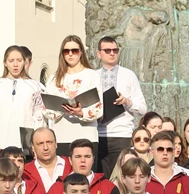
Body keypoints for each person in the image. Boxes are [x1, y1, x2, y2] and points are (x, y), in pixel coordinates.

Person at [94, 36, 148, 174]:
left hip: (122, 134)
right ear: (99, 54)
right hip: (97, 135)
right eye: (107, 50)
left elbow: (142, 108)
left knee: (121, 176)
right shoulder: (92, 76)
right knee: (101, 178)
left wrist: (127, 101)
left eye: (115, 50)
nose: (112, 53)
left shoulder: (128, 75)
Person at [44, 36, 103, 147]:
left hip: (86, 136)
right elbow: (46, 109)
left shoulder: (92, 75)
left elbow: (99, 109)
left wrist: (81, 113)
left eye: (74, 51)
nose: (70, 54)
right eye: (66, 51)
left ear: (81, 52)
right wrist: (62, 109)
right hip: (61, 137)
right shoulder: (53, 78)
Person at [0, 45, 45, 154]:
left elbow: (38, 117)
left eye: (19, 60)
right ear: (5, 62)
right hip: (0, 144)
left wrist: (35, 142)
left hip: (25, 145)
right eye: (11, 61)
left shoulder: (34, 86)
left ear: (25, 62)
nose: (15, 64)